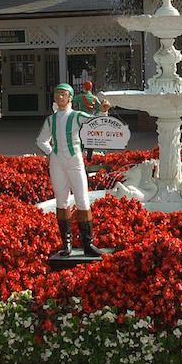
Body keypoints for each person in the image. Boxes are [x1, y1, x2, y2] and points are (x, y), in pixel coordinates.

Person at [37, 83, 111, 257]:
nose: (59, 97)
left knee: (82, 199)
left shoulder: (77, 116)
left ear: (70, 97)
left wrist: (103, 111)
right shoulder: (50, 120)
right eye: (57, 95)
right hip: (57, 162)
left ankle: (88, 243)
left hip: (75, 161)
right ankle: (66, 244)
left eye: (63, 94)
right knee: (61, 200)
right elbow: (41, 140)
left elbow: (94, 123)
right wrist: (49, 152)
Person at [73, 80, 103, 162]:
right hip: (91, 121)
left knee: (80, 138)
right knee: (90, 138)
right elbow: (100, 107)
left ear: (83, 87)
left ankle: (80, 156)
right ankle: (89, 158)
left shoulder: (81, 97)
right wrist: (94, 113)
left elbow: (71, 99)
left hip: (81, 120)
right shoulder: (94, 98)